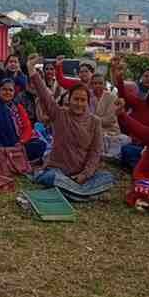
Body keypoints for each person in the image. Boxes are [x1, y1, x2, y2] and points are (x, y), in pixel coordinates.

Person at [27, 55, 114, 201]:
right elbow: (45, 96)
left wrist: (85, 174)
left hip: (80, 173)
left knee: (108, 177)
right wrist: (31, 69)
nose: (79, 103)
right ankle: (85, 194)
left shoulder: (95, 122)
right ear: (69, 99)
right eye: (76, 99)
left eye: (82, 100)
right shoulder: (60, 114)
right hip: (57, 171)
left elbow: (95, 152)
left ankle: (71, 191)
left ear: (87, 102)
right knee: (51, 177)